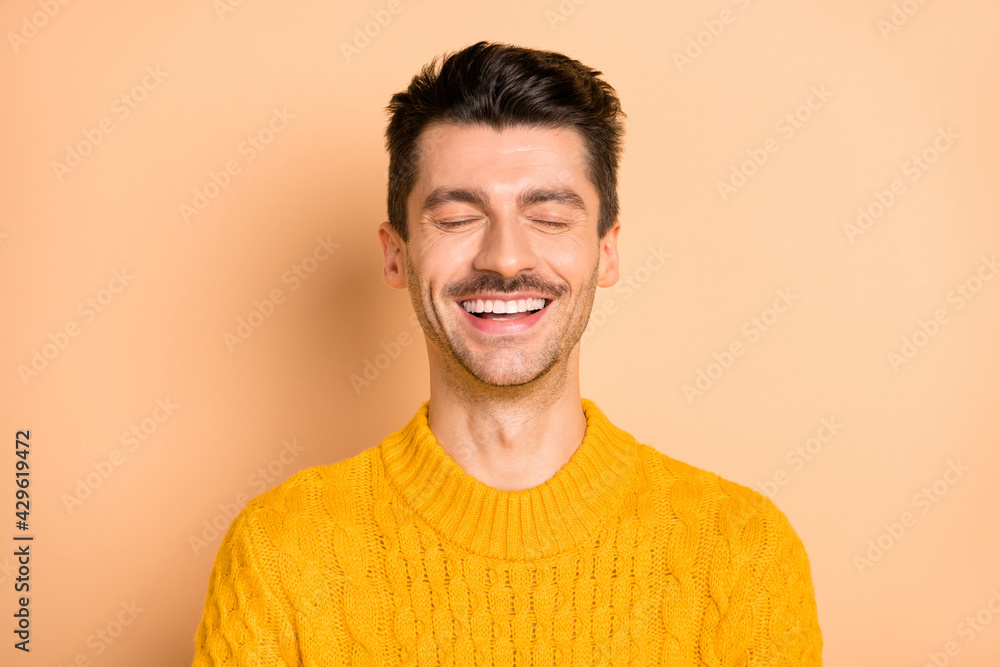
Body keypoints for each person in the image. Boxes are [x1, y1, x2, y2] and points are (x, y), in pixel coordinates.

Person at [192, 40, 822, 665]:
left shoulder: (743, 552)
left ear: (606, 251)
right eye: (458, 217)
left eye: (549, 216)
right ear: (395, 253)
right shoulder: (280, 554)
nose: (506, 258)